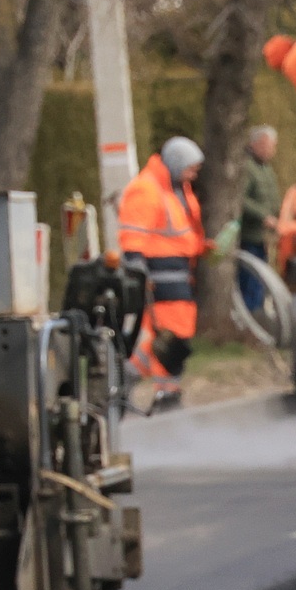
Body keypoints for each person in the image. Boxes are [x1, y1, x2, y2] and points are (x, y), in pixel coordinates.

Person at [119, 136, 206, 410]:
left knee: (171, 341)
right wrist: (140, 277)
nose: (194, 174)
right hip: (160, 280)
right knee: (167, 340)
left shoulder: (178, 189)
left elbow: (179, 233)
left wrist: (201, 247)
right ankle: (151, 390)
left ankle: (161, 390)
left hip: (177, 278)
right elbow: (133, 239)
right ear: (176, 163)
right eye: (191, 167)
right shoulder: (147, 190)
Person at [238, 126, 281, 313]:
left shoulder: (266, 168)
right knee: (250, 280)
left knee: (261, 280)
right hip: (249, 236)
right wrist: (264, 216)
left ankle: (256, 316)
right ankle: (250, 317)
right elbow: (240, 199)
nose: (272, 150)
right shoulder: (247, 167)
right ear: (257, 144)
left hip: (262, 238)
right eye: (269, 146)